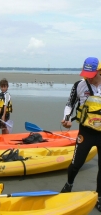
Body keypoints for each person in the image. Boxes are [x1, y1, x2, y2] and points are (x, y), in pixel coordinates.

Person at [60, 57, 101, 212]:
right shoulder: (79, 85)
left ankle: (99, 196)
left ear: (98, 70)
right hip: (86, 132)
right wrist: (66, 119)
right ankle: (69, 184)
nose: (88, 76)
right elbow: (70, 103)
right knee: (76, 163)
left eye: (91, 73)